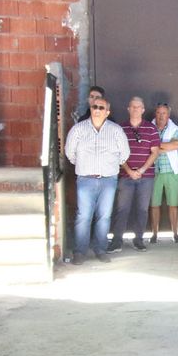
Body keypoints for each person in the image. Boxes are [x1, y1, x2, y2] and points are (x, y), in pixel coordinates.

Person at [62, 94, 128, 265]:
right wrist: (85, 167)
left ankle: (101, 250)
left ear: (107, 112)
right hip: (86, 179)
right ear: (90, 109)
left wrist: (110, 167)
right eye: (95, 107)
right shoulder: (78, 130)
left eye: (101, 108)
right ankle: (80, 252)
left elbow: (124, 154)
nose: (97, 110)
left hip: (108, 180)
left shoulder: (115, 130)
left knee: (104, 216)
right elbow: (70, 153)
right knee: (83, 216)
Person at [110, 97, 160, 252]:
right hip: (126, 176)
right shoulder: (120, 128)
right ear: (128, 109)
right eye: (133, 107)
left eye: (139, 107)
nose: (136, 109)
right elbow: (116, 153)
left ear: (143, 110)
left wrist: (142, 170)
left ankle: (138, 240)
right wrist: (129, 171)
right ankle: (117, 241)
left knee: (142, 209)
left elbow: (155, 152)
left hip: (146, 177)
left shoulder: (151, 129)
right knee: (122, 209)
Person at [147, 101, 178, 243]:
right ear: (155, 114)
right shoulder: (149, 128)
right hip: (153, 171)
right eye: (158, 113)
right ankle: (154, 234)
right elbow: (147, 146)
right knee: (154, 205)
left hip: (171, 172)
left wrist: (155, 146)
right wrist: (163, 147)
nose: (161, 115)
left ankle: (175, 233)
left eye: (164, 113)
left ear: (168, 114)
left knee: (173, 204)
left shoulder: (176, 130)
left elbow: (174, 145)